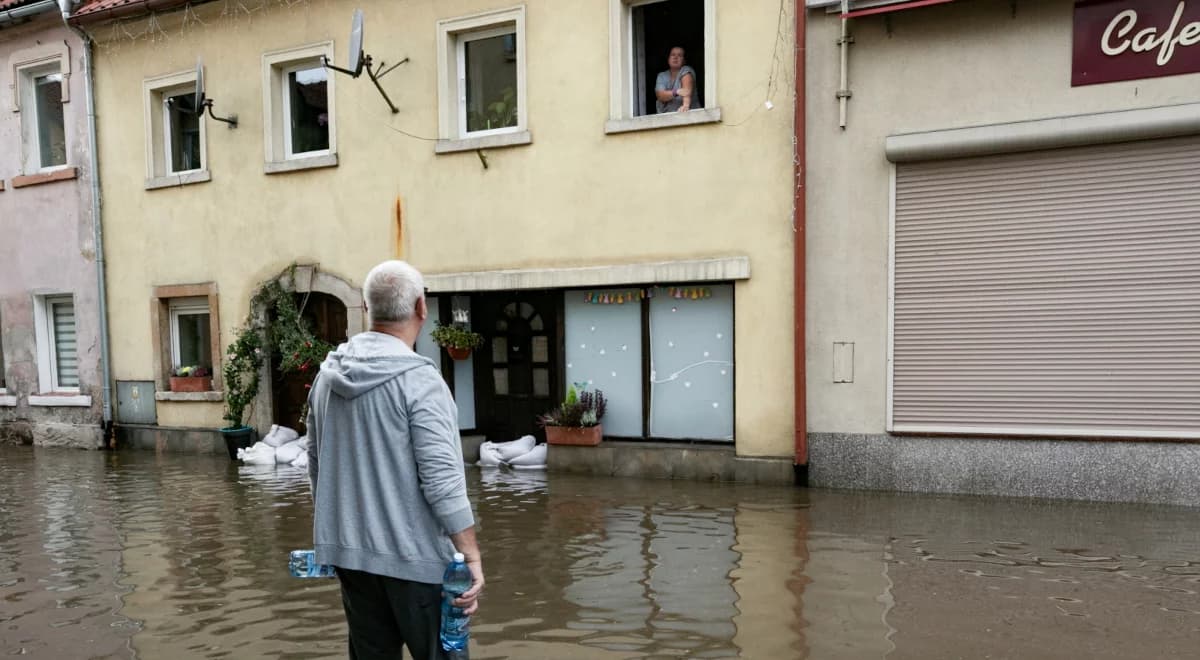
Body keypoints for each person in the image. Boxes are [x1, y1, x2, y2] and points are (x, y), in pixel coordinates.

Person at [306, 260, 483, 660]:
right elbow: (442, 482)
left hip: (352, 558)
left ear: (367, 309)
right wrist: (470, 554)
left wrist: (337, 539)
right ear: (422, 307)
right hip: (418, 564)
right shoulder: (421, 382)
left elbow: (316, 467)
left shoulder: (326, 377)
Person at [655, 46, 696, 114]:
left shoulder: (686, 70)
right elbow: (660, 95)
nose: (675, 57)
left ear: (684, 60)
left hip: (687, 115)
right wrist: (676, 92)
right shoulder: (662, 75)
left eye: (679, 55)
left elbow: (686, 92)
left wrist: (685, 106)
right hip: (665, 117)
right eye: (673, 55)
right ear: (668, 59)